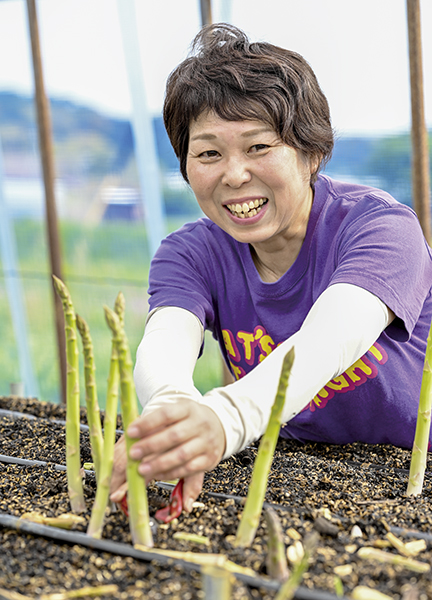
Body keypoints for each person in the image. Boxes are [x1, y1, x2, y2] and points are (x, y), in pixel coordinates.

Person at [110, 23, 432, 513]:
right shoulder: (190, 253)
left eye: (259, 146)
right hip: (298, 472)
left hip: (413, 478)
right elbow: (167, 340)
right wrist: (170, 415)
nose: (235, 174)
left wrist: (225, 418)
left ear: (312, 152)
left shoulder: (380, 227)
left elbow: (334, 335)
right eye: (209, 153)